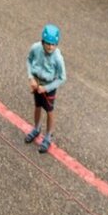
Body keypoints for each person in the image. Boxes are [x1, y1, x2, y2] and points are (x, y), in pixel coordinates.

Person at [23, 24, 66, 153]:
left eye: (54, 44)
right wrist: (31, 77)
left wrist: (47, 88)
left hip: (48, 86)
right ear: (43, 41)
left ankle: (48, 136)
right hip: (36, 82)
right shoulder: (35, 48)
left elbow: (62, 77)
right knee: (37, 106)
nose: (50, 47)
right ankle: (36, 128)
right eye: (48, 43)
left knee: (49, 110)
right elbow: (29, 60)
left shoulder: (58, 58)